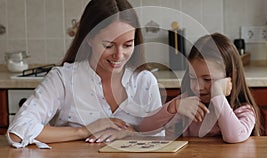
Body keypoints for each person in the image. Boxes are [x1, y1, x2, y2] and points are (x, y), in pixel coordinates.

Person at [7, 0, 162, 148]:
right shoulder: (63, 79)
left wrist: (130, 134)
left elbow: (160, 138)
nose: (119, 55)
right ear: (89, 38)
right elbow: (18, 131)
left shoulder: (145, 81)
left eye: (128, 45)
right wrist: (84, 130)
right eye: (108, 46)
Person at [139, 33, 262, 143]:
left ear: (230, 76)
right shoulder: (189, 104)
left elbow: (234, 137)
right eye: (192, 78)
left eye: (207, 79)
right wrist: (173, 107)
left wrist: (217, 94)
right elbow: (144, 128)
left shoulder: (244, 110)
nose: (197, 87)